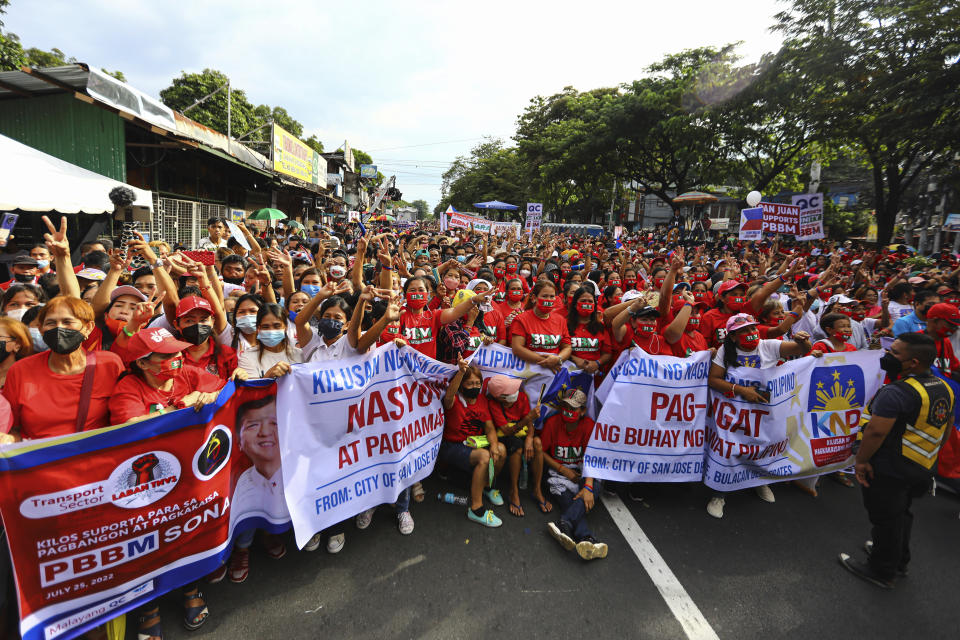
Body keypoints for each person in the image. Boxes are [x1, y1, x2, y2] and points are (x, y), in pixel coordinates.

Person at [105, 327, 221, 638]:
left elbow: (222, 391)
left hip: (188, 477)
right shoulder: (128, 388)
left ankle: (189, 588)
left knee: (186, 533)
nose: (177, 358)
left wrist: (209, 394)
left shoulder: (188, 374)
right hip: (146, 486)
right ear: (142, 363)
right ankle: (148, 607)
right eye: (167, 355)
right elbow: (130, 426)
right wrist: (184, 406)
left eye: (178, 352)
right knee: (147, 545)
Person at [839, 333, 955, 589]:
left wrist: (861, 461)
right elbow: (946, 429)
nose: (888, 355)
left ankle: (882, 571)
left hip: (891, 469)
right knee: (901, 514)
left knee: (885, 517)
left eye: (895, 353)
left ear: (913, 362)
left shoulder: (896, 392)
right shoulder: (944, 386)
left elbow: (876, 432)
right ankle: (897, 558)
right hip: (922, 467)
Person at [705, 313, 815, 518]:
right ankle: (719, 493)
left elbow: (801, 350)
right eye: (744, 331)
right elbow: (714, 379)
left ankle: (758, 482)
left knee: (763, 446)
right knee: (730, 449)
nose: (751, 333)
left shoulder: (769, 345)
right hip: (735, 411)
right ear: (733, 337)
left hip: (766, 410)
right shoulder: (724, 351)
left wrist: (804, 343)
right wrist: (740, 389)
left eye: (752, 328)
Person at [3, 296, 124, 439]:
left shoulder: (109, 364)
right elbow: (13, 428)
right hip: (40, 458)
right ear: (41, 330)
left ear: (88, 328)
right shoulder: (21, 370)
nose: (59, 328)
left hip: (94, 457)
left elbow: (124, 416)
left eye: (67, 322)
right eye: (51, 323)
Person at [541, 389, 607, 561]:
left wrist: (587, 487)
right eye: (565, 406)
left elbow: (592, 458)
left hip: (583, 471)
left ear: (583, 411)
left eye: (574, 408)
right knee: (568, 499)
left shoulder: (588, 426)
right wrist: (563, 470)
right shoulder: (553, 423)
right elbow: (541, 452)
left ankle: (564, 524)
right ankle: (587, 538)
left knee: (594, 486)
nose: (568, 411)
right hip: (558, 472)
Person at [440, 360, 506, 527]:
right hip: (453, 446)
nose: (474, 386)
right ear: (462, 385)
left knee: (501, 449)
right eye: (470, 383)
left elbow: (490, 428)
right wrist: (461, 372)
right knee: (484, 457)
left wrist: (493, 446)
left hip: (476, 444)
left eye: (477, 383)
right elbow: (447, 398)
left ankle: (487, 486)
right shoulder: (455, 399)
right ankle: (476, 509)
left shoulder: (482, 400)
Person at [486, 375, 541, 517]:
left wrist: (529, 437)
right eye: (510, 391)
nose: (515, 392)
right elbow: (506, 431)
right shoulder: (493, 404)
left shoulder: (521, 397)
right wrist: (528, 417)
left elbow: (530, 424)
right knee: (517, 447)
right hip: (506, 437)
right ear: (500, 398)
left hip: (522, 434)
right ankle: (514, 490)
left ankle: (537, 489)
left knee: (537, 444)